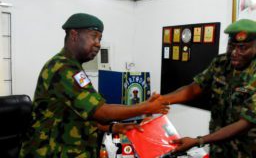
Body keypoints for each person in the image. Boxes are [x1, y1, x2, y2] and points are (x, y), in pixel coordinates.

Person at [19, 13, 170, 158]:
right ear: (74, 35)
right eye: (94, 37)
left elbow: (82, 114)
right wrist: (146, 107)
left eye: (100, 38)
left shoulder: (73, 67)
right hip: (51, 152)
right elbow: (101, 112)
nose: (98, 44)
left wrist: (113, 127)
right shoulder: (62, 68)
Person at [165, 19, 256, 157]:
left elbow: (245, 123)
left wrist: (199, 141)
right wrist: (161, 100)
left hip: (252, 150)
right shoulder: (220, 62)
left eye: (243, 48)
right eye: (231, 46)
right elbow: (194, 89)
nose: (234, 52)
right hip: (220, 148)